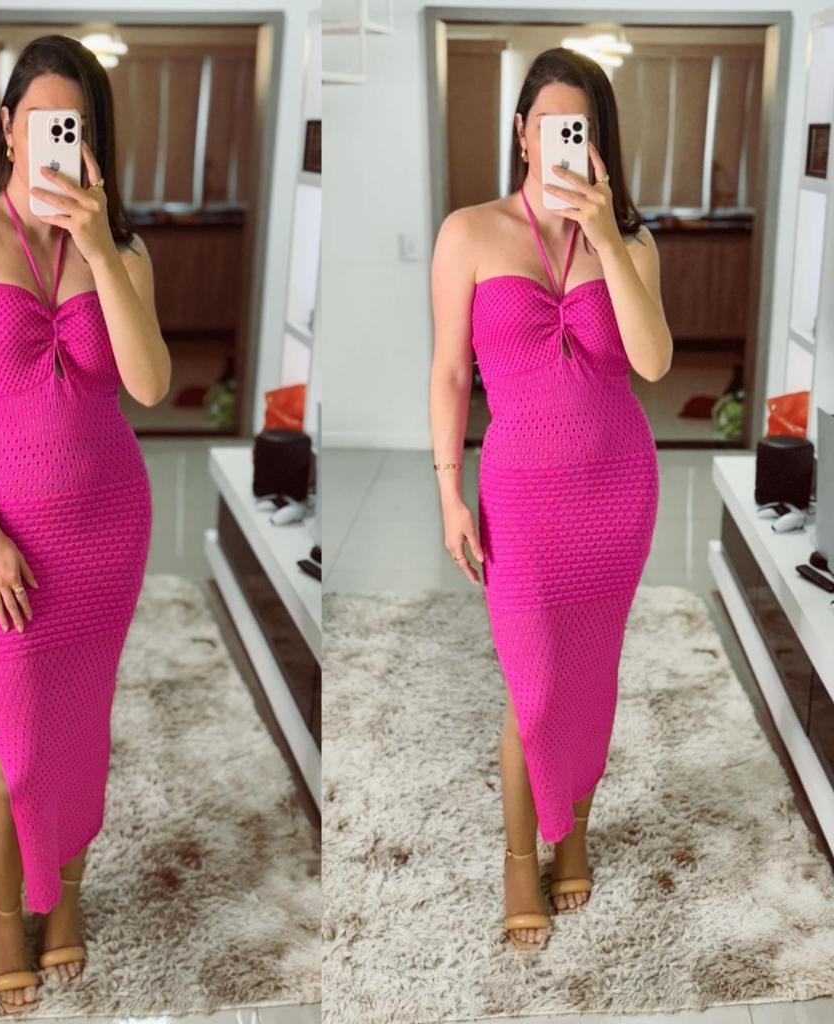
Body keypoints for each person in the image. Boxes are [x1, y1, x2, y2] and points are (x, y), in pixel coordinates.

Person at [0, 35, 171, 1014]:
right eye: (41, 119)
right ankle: (2, 912)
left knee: (79, 730)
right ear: (7, 128)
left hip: (109, 524)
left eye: (77, 124)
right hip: (5, 533)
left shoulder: (124, 250)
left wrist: (99, 248)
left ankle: (66, 892)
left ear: (95, 139)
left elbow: (149, 384)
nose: (57, 136)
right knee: (16, 746)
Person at [429, 47, 671, 952]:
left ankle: (575, 833)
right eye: (550, 124)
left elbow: (653, 363)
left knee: (591, 678)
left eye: (582, 127)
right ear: (522, 133)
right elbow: (450, 373)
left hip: (617, 488)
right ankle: (520, 857)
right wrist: (449, 492)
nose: (564, 139)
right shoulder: (470, 232)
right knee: (533, 689)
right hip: (520, 495)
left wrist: (605, 238)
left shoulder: (632, 242)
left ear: (600, 141)